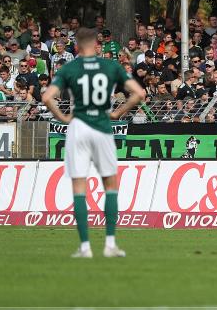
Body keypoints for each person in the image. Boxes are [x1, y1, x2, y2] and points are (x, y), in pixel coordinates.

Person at [41, 28, 145, 259]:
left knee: (79, 187)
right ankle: (109, 244)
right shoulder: (111, 67)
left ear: (76, 46)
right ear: (97, 45)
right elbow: (139, 92)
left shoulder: (69, 68)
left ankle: (85, 247)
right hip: (102, 127)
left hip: (79, 126)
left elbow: (47, 97)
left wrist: (63, 118)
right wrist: (118, 113)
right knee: (110, 185)